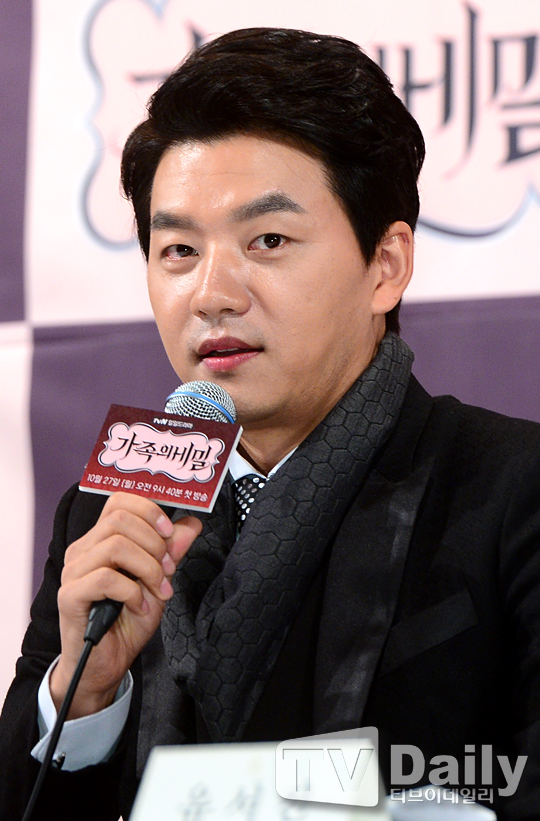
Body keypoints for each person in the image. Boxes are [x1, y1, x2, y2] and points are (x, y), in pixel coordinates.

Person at [1, 27, 540, 820]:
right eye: (177, 249)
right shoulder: (106, 513)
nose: (212, 293)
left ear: (386, 265)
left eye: (269, 240)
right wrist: (85, 695)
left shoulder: (513, 489)